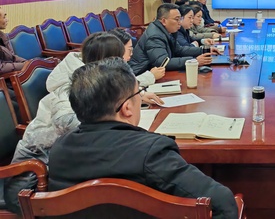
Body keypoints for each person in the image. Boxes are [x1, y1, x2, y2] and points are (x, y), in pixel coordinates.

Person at [48, 57, 238, 219]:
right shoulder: (151, 153)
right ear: (127, 108)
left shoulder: (58, 150)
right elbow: (222, 202)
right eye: (139, 93)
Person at [3, 32, 163, 213]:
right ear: (105, 62)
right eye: (119, 60)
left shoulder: (92, 81)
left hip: (62, 169)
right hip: (31, 181)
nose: (124, 65)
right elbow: (81, 127)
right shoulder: (69, 88)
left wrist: (134, 97)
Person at [129, 3, 212, 76]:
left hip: (155, 73)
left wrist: (203, 50)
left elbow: (179, 50)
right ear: (164, 21)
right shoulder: (154, 36)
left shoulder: (167, 31)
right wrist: (193, 61)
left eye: (180, 19)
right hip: (142, 75)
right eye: (177, 19)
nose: (180, 22)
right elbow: (162, 62)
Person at [0, 7, 26, 75]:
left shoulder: (3, 36)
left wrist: (26, 62)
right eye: (4, 17)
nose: (7, 19)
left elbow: (12, 57)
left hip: (13, 72)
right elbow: (1, 68)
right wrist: (23, 66)